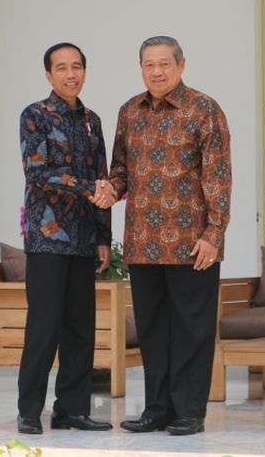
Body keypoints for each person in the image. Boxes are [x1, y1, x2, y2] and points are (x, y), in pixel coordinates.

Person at [107, 36, 232, 436]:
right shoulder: (129, 111)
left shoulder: (204, 109)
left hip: (192, 242)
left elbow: (218, 176)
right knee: (153, 330)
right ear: (141, 68)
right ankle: (157, 408)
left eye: (164, 63)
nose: (156, 71)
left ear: (181, 65)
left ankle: (190, 411)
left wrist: (214, 234)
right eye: (148, 64)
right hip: (143, 241)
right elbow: (120, 171)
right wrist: (110, 188)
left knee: (192, 330)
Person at [16, 42, 116, 435]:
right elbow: (38, 172)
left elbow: (104, 174)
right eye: (61, 67)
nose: (70, 74)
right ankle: (29, 410)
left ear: (85, 72)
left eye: (76, 66)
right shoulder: (35, 115)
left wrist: (104, 234)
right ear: (48, 75)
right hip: (47, 238)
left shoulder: (92, 120)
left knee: (80, 327)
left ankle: (71, 409)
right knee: (44, 325)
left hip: (83, 240)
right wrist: (93, 188)